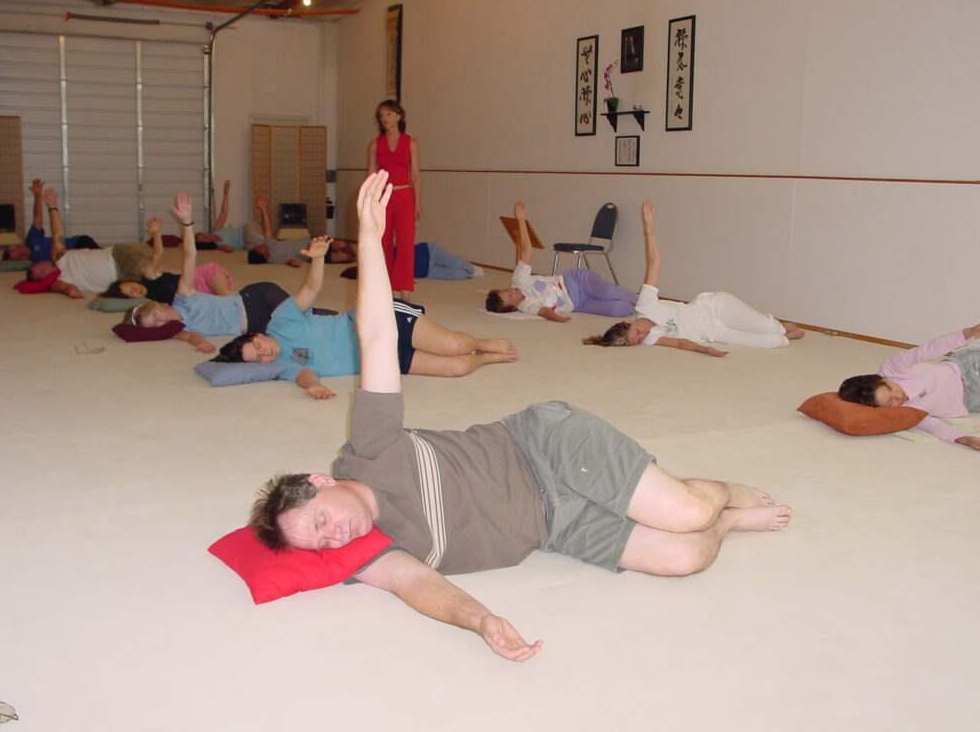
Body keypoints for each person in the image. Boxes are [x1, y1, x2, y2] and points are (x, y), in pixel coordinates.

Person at [246, 171, 793, 661]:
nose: (334, 537)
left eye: (321, 521)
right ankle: (720, 516)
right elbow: (419, 588)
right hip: (555, 526)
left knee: (687, 513)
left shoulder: (367, 450)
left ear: (321, 483)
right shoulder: (364, 556)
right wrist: (482, 622)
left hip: (544, 448)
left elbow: (377, 336)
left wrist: (368, 237)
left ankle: (709, 493)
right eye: (321, 545)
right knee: (687, 555)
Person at [212, 250, 517, 399]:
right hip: (382, 358)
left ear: (256, 334)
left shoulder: (281, 320)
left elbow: (311, 290)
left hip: (376, 320)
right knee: (457, 368)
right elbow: (304, 374)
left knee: (456, 346)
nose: (266, 354)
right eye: (260, 359)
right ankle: (487, 358)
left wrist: (318, 259)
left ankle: (480, 343)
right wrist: (315, 386)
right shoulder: (283, 365)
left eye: (258, 347)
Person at [584, 200, 804, 354]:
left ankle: (778, 325)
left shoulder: (645, 304)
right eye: (638, 341)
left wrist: (649, 228)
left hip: (714, 307)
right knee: (775, 343)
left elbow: (655, 263)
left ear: (629, 321)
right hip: (714, 332)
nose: (643, 336)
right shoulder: (651, 339)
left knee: (771, 330)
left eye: (638, 333)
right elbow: (680, 344)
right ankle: (781, 331)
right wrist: (704, 349)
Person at [124, 193, 322, 353]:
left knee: (300, 315)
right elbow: (193, 337)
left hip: (255, 299)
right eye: (155, 324)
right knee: (298, 330)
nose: (161, 321)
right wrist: (200, 344)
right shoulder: (178, 330)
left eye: (156, 315)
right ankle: (343, 321)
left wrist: (186, 223)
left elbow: (190, 256)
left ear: (160, 305)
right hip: (255, 324)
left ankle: (345, 320)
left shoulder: (184, 296)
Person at [486, 201, 637, 321]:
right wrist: (557, 318)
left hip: (576, 280)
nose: (512, 291)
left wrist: (521, 220)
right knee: (618, 310)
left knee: (608, 292)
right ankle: (635, 306)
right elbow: (544, 312)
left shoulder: (519, 280)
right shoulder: (526, 306)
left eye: (507, 290)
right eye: (511, 296)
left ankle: (641, 300)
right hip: (579, 304)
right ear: (513, 307)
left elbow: (526, 250)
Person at [838, 324, 980, 450]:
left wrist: (968, 333)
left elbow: (928, 349)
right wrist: (963, 439)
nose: (899, 396)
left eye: (891, 388)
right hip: (973, 401)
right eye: (890, 402)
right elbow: (932, 425)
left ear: (884, 379)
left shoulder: (894, 368)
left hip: (968, 369)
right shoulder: (903, 413)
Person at [25, 187, 153, 299]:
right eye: (41, 271)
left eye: (40, 265)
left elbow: (57, 232)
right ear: (45, 278)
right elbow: (71, 291)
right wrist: (66, 290)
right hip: (120, 279)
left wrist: (52, 207)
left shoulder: (58, 255)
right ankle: (153, 264)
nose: (43, 265)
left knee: (148, 271)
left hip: (116, 256)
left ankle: (151, 263)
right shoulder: (59, 281)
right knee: (154, 280)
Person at [102, 215, 237, 303]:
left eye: (133, 286)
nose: (137, 290)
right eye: (132, 293)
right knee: (224, 302)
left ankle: (255, 296)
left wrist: (156, 233)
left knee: (225, 296)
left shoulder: (149, 275)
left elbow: (158, 253)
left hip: (201, 276)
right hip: (197, 294)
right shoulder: (150, 302)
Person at [366, 99, 420, 299]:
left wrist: (418, 202)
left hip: (405, 195)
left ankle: (405, 288)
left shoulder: (410, 142)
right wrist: (368, 202)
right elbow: (371, 175)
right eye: (381, 115)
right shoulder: (375, 145)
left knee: (406, 243)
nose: (384, 119)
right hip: (382, 198)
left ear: (399, 116)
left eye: (388, 114)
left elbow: (415, 175)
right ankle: (385, 285)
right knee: (384, 242)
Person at [2, 179, 100, 262]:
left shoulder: (31, 240)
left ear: (19, 246)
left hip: (78, 243)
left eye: (20, 253)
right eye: (19, 258)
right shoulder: (34, 263)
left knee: (102, 257)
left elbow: (37, 217)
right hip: (71, 259)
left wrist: (37, 195)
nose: (22, 256)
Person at [339, 241, 481, 281]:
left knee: (456, 263)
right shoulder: (383, 276)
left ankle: (474, 269)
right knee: (459, 276)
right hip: (426, 272)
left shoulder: (382, 255)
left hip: (428, 252)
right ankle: (470, 273)